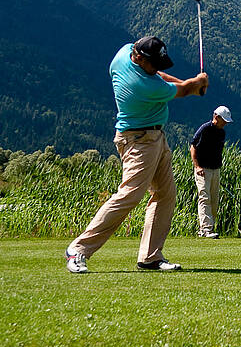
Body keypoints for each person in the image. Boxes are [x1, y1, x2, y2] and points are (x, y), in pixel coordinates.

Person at [65, 36, 208, 273]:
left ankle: (150, 256)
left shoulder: (124, 53)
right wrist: (197, 83)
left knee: (165, 194)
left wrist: (192, 84)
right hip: (139, 142)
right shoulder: (143, 86)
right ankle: (78, 248)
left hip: (153, 138)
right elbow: (181, 91)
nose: (158, 69)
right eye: (155, 63)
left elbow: (160, 76)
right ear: (139, 58)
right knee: (129, 195)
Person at [191, 105, 232, 239]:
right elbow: (193, 146)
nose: (225, 123)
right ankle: (206, 229)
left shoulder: (222, 133)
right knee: (204, 198)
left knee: (214, 201)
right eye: (224, 120)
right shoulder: (205, 129)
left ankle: (207, 228)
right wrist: (197, 166)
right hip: (202, 169)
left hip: (215, 169)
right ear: (216, 117)